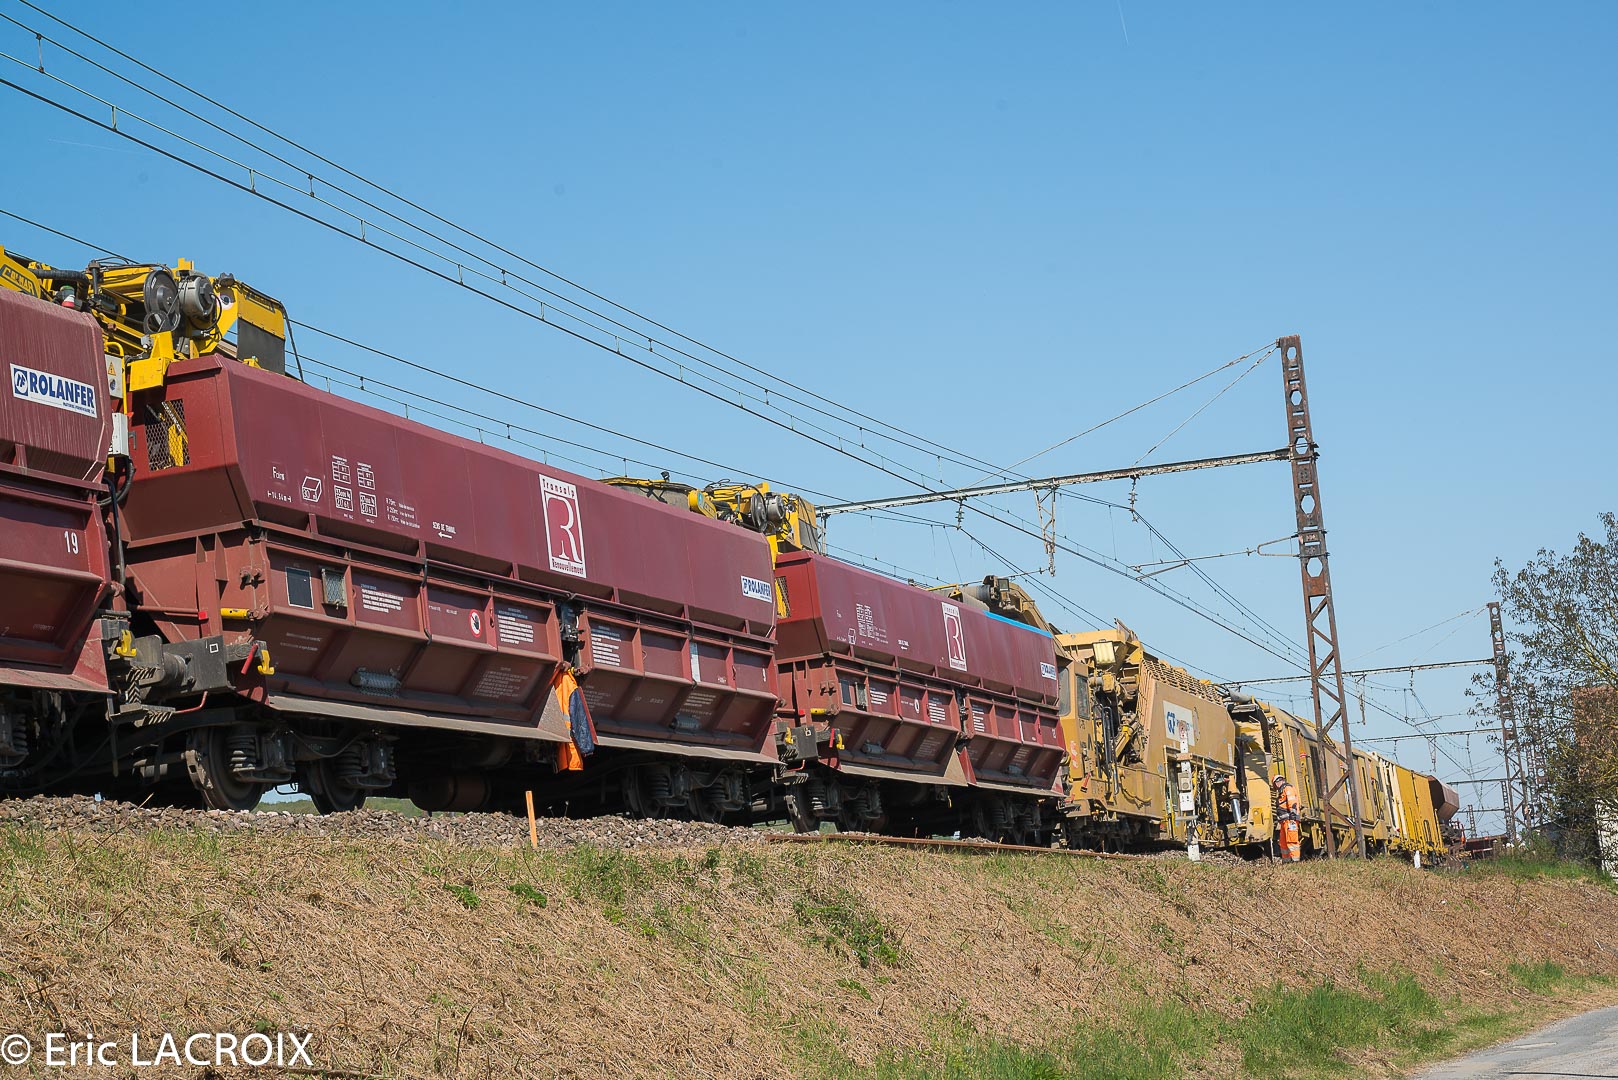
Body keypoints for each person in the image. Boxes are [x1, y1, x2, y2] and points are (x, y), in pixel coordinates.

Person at [1273, 772, 1302, 863]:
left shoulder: (1287, 788)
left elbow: (1292, 802)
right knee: (1283, 842)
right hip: (1284, 821)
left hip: (1290, 820)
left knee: (1292, 841)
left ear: (1277, 782)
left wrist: (1293, 815)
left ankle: (1295, 861)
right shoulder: (1283, 790)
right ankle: (1286, 861)